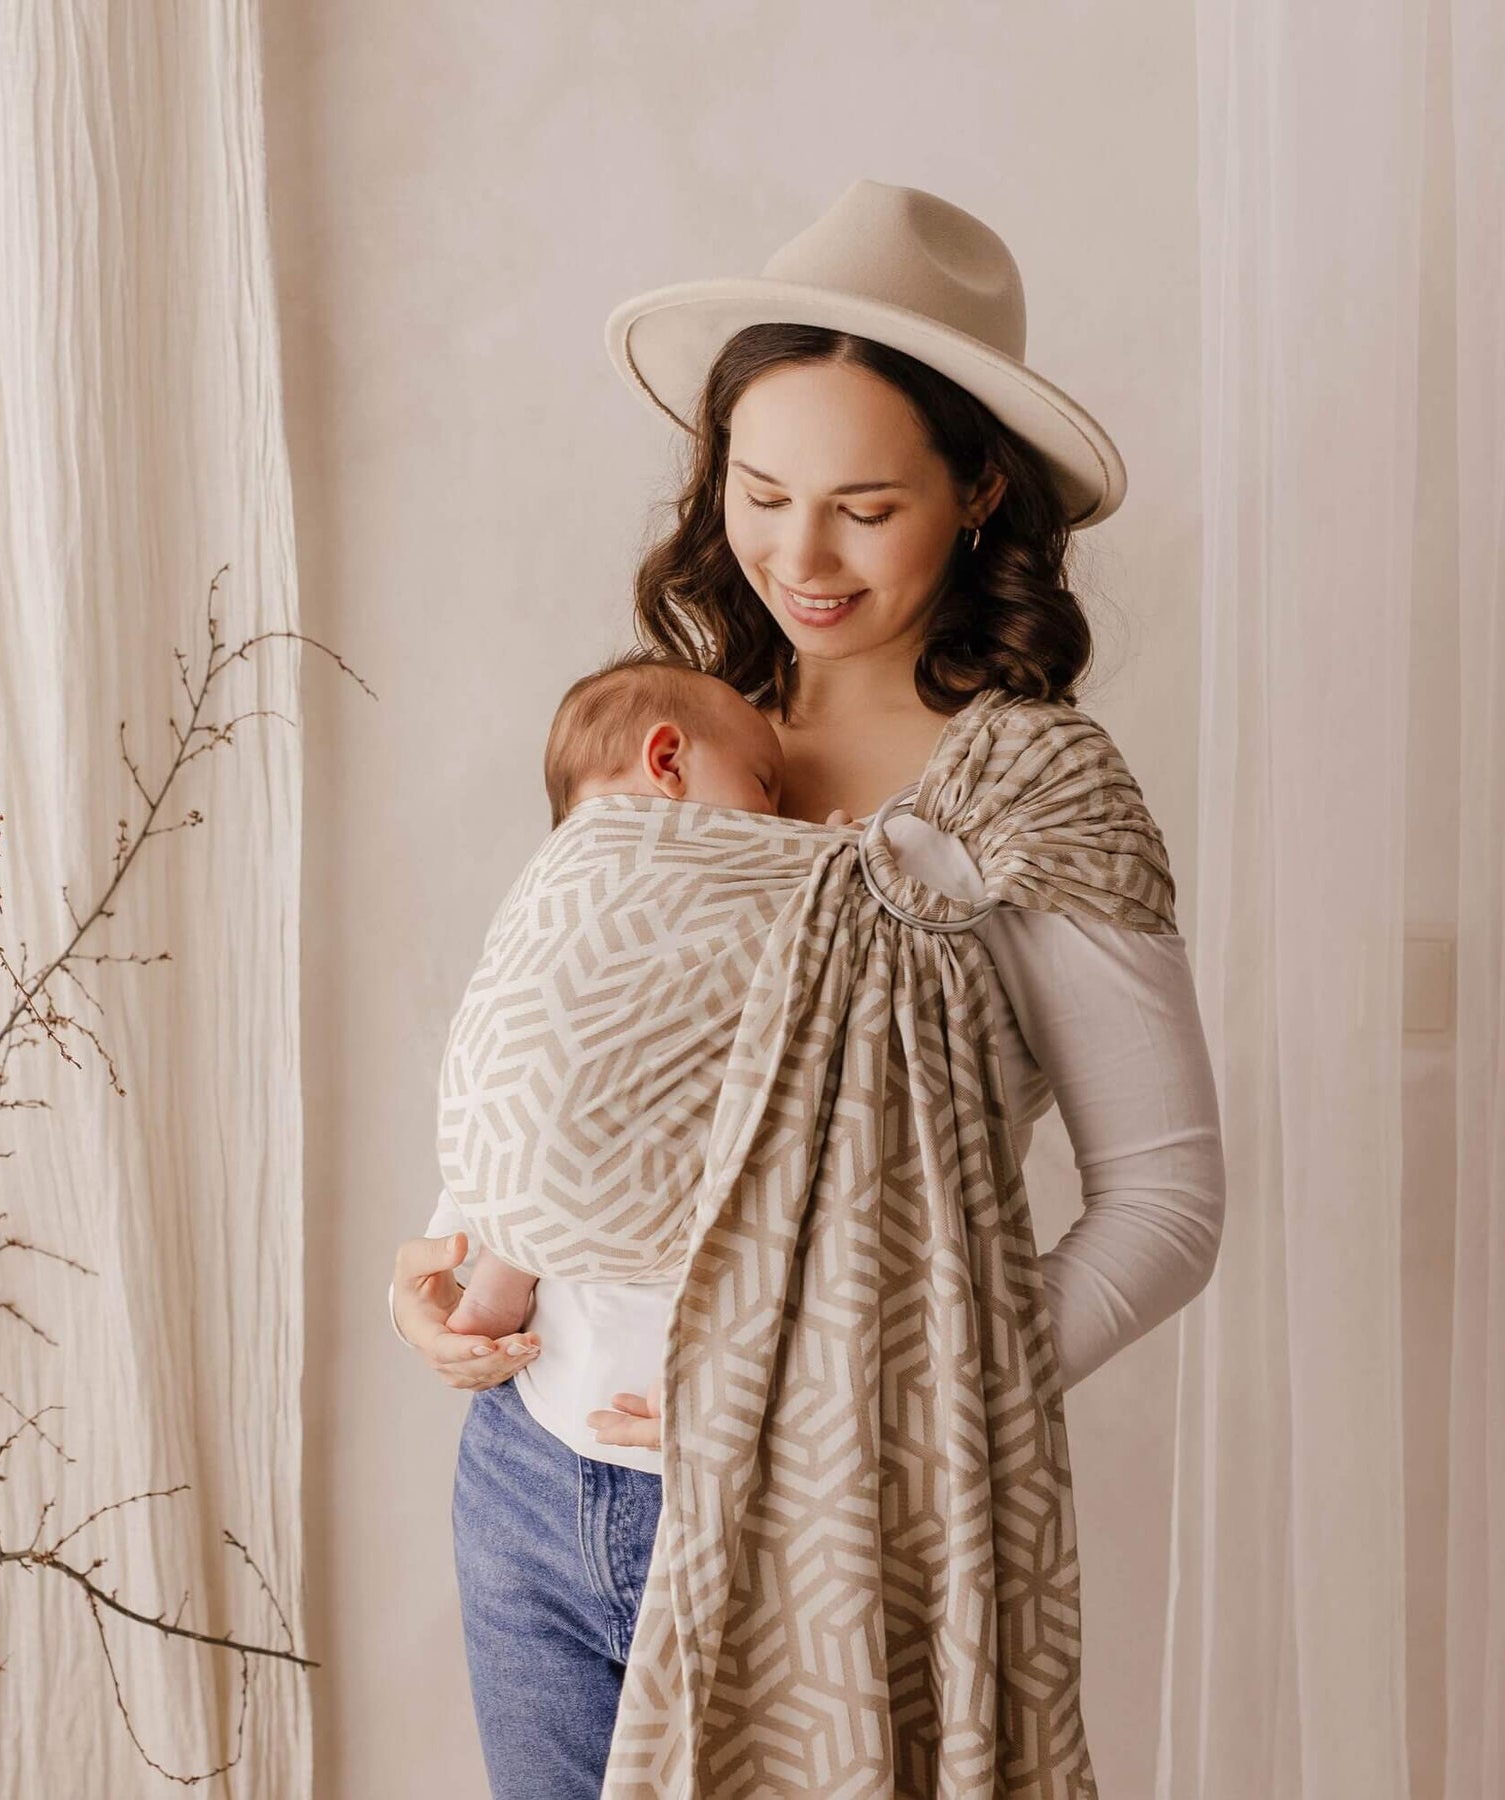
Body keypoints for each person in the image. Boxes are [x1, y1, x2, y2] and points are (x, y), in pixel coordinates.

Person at [387, 179, 1226, 1800]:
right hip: (527, 1486)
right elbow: (577, 1035)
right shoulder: (680, 733)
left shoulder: (1031, 796)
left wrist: (876, 1410)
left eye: (862, 505)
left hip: (820, 1540)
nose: (797, 555)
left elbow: (1164, 1206)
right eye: (760, 493)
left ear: (979, 491)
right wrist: (441, 1253)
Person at [428, 651, 852, 1352]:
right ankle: (685, 1366)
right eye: (763, 785)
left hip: (485, 1172)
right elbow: (835, 899)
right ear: (668, 762)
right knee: (720, 1171)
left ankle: (495, 1288)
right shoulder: (644, 851)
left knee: (581, 1084)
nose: (776, 814)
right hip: (607, 1203)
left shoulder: (562, 873)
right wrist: (833, 855)